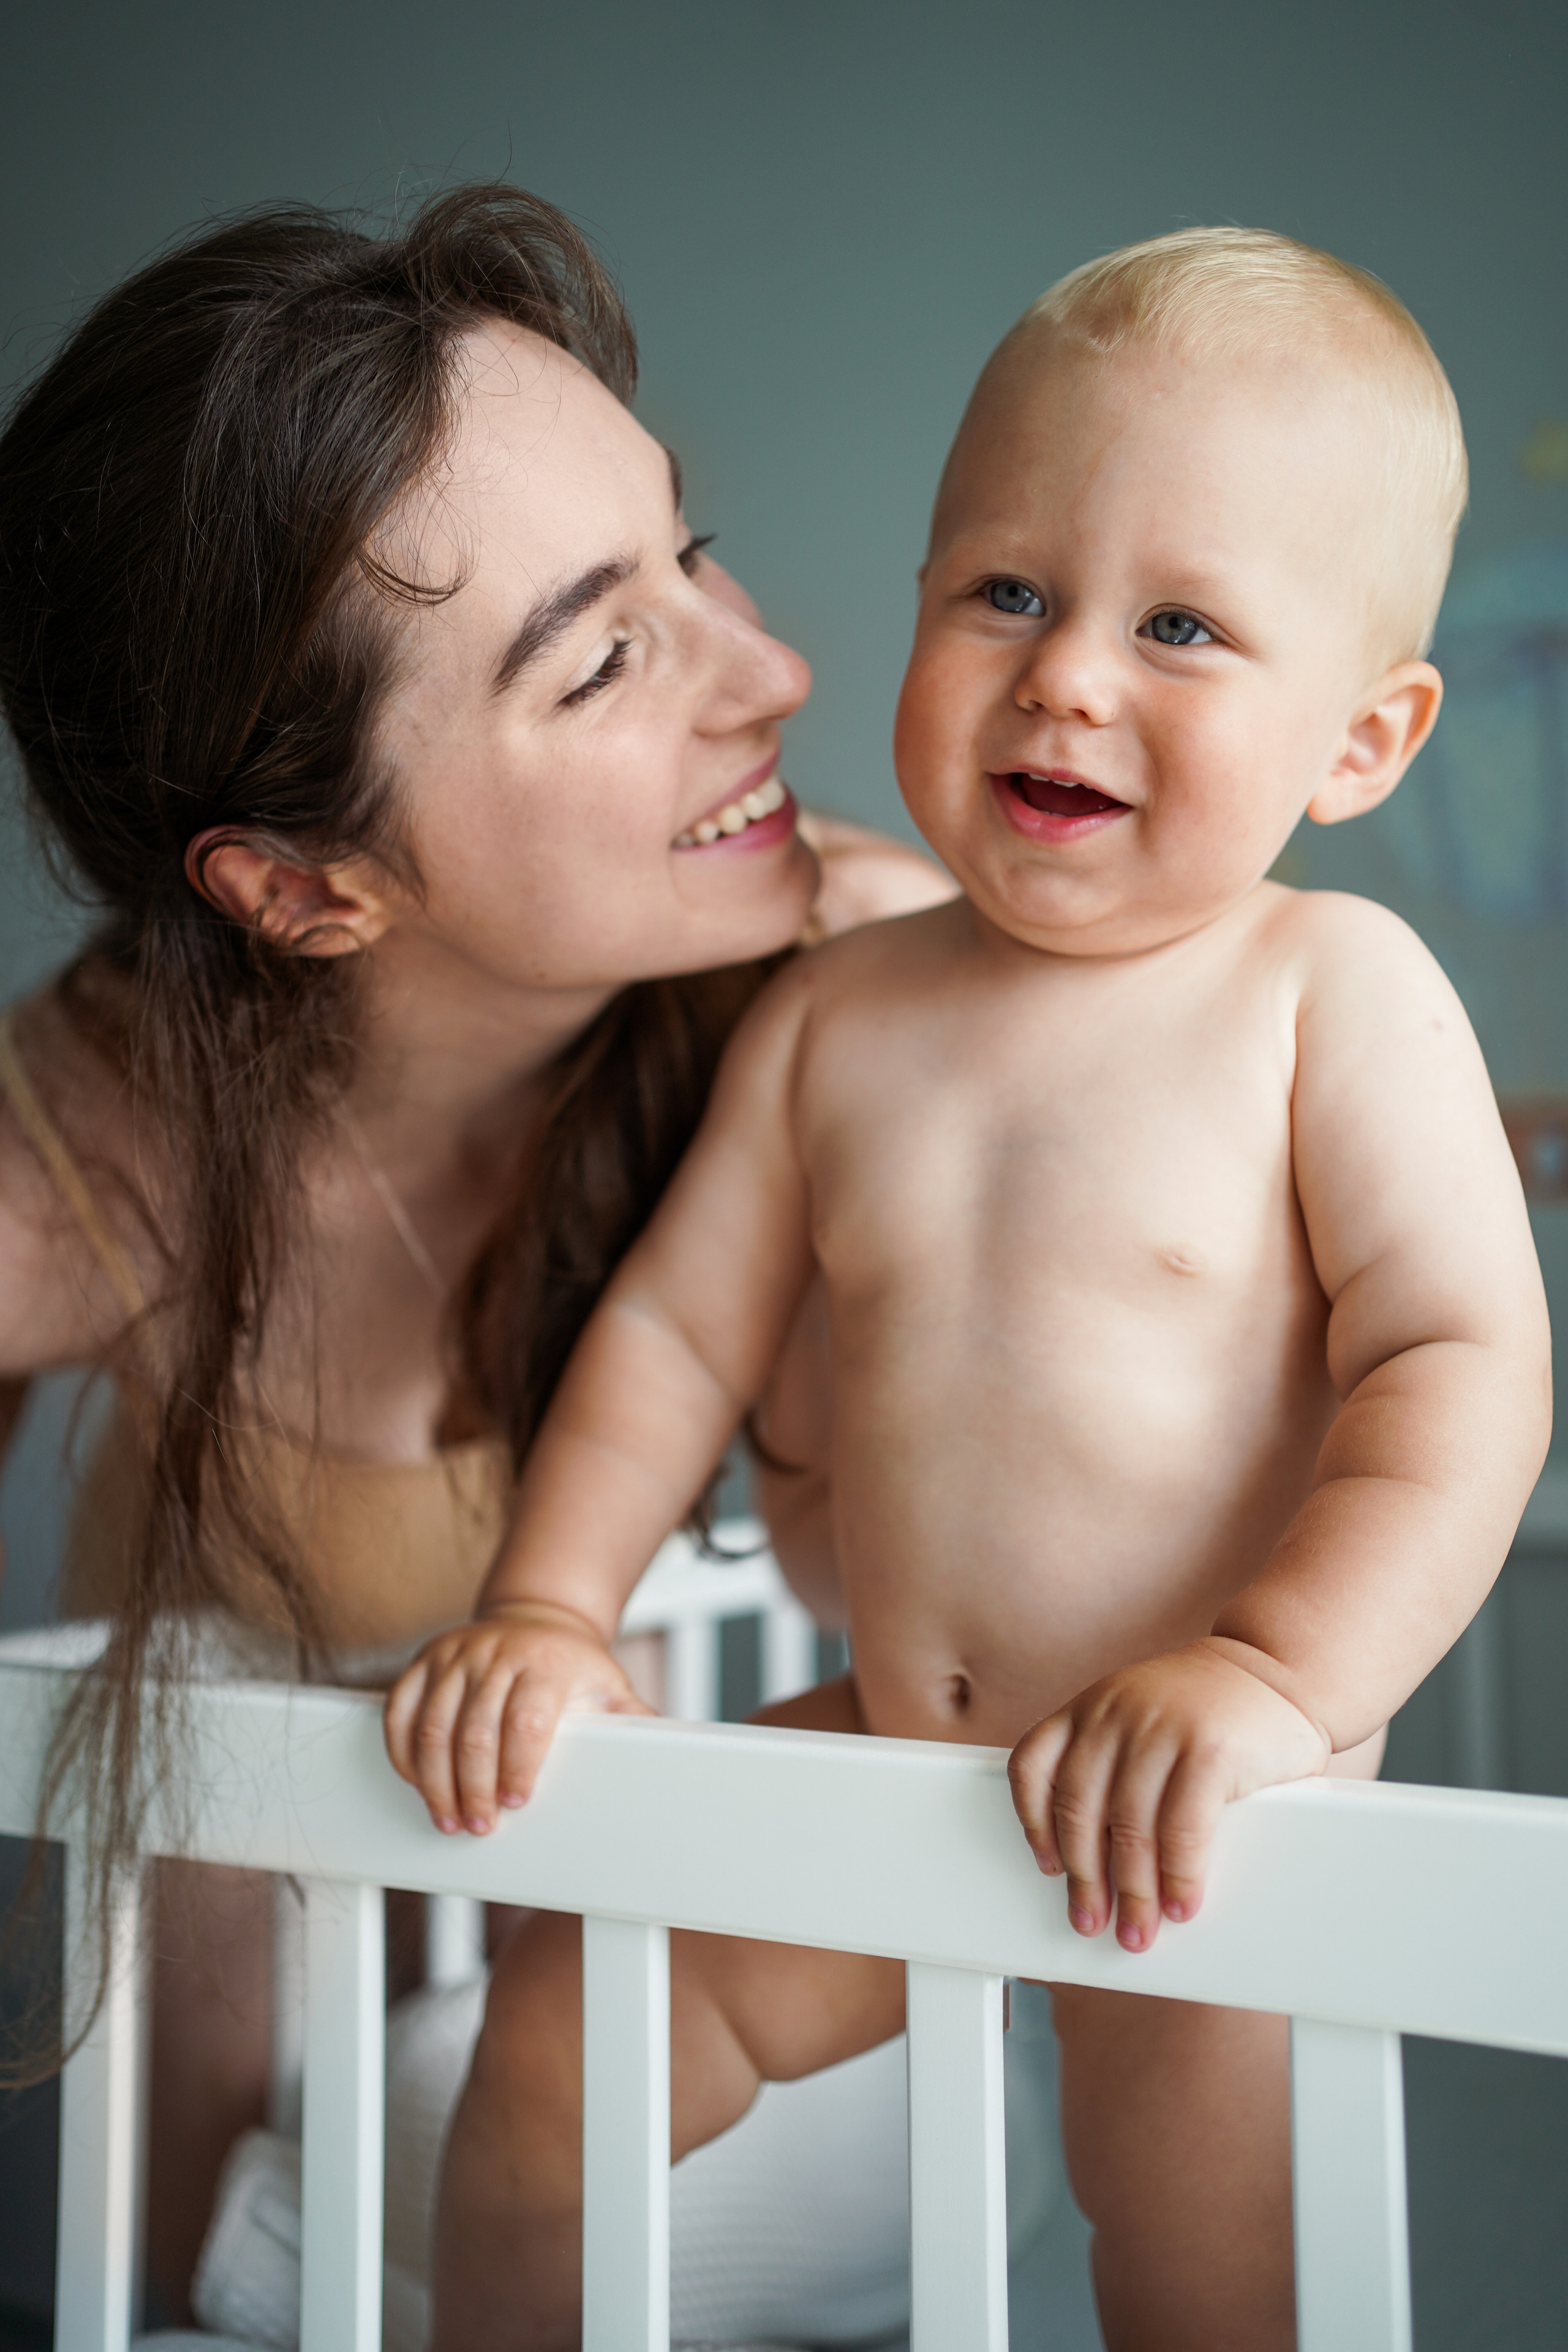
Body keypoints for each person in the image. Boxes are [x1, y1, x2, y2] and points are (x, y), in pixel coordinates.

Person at [387, 227, 1552, 2352]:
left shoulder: (1332, 995)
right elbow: (669, 1335)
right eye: (1004, 588)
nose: (1069, 674)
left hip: (1207, 1810)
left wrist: (1276, 1679)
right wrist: (552, 1606)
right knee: (556, 2041)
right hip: (889, 1774)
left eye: (1181, 626)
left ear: (1363, 741)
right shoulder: (838, 1014)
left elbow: (1457, 1362)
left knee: (1204, 2275)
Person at [0, 183, 948, 2320]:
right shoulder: (73, 1178)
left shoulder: (860, 1006)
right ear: (305, 887)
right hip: (234, 2027)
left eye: (688, 547)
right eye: (610, 655)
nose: (776, 671)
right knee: (208, 1740)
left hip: (640, 2027)